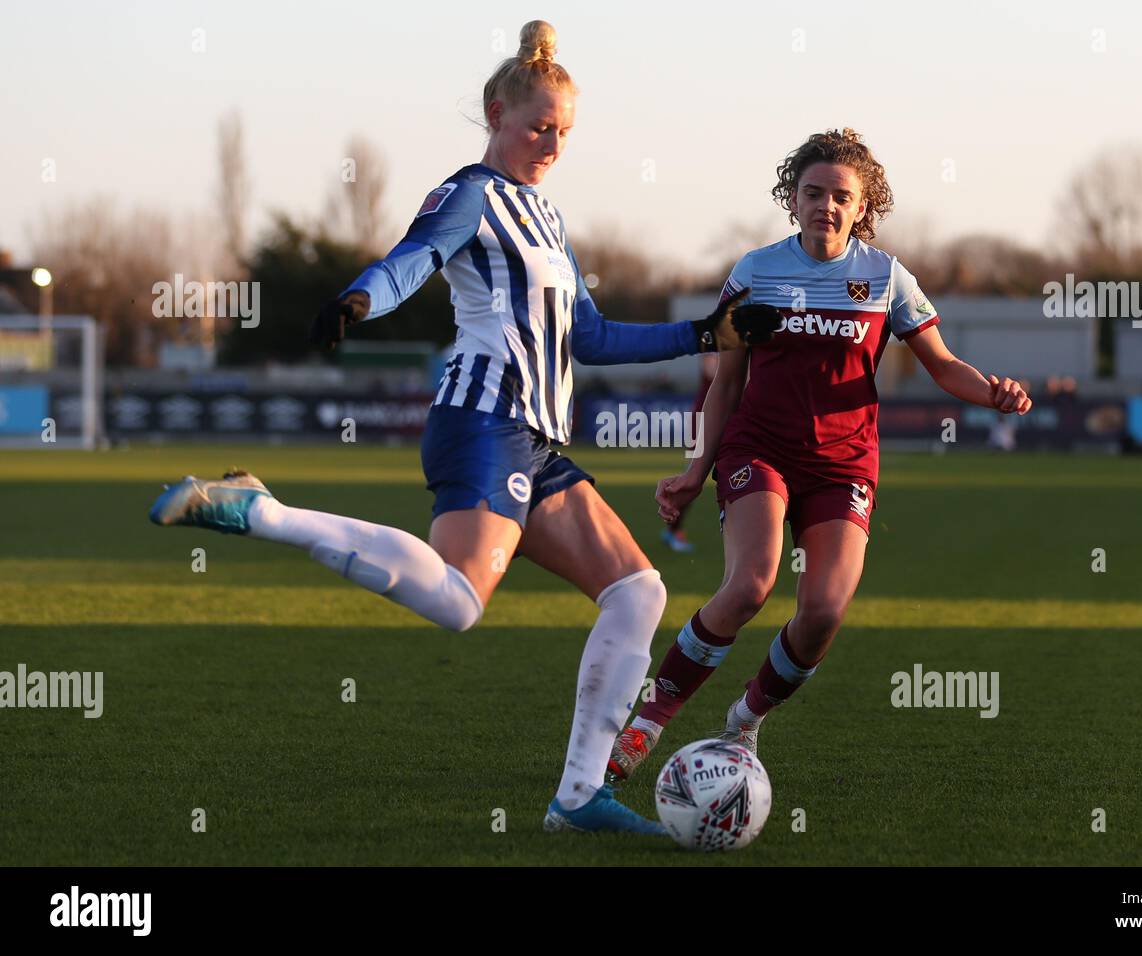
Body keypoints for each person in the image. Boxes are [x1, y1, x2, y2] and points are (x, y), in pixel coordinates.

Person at [148, 20, 780, 835]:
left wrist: (705, 333)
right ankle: (263, 511)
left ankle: (579, 798)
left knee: (638, 591)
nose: (550, 142)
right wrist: (360, 298)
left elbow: (589, 338)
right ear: (495, 112)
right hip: (482, 419)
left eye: (563, 131)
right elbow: (415, 256)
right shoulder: (470, 194)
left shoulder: (548, 220)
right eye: (537, 126)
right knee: (458, 603)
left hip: (536, 439)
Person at [608, 128, 1031, 779]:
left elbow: (943, 366)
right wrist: (698, 469)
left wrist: (993, 392)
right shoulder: (756, 272)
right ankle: (649, 718)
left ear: (863, 205)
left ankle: (745, 722)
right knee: (750, 584)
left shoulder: (886, 277)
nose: (825, 206)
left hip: (845, 465)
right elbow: (728, 381)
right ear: (792, 198)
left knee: (825, 611)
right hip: (762, 448)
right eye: (813, 193)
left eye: (840, 196)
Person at [660, 352, 719, 553]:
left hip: (731, 417)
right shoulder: (719, 338)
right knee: (693, 476)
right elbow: (710, 371)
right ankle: (673, 529)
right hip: (704, 418)